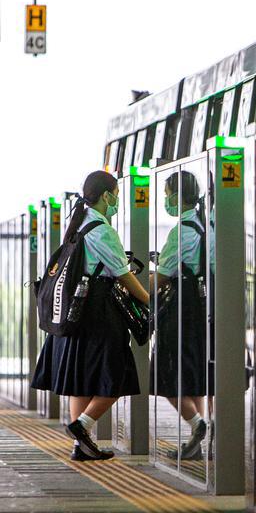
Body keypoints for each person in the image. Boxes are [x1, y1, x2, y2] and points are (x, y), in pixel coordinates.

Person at [31, 170, 150, 461]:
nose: (118, 200)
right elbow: (123, 276)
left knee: (80, 380)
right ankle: (81, 426)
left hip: (76, 316)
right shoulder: (102, 230)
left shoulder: (79, 225)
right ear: (106, 196)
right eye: (117, 194)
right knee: (117, 375)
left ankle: (81, 447)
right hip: (98, 314)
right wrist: (150, 301)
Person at [151, 171, 210, 461]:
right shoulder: (203, 225)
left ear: (178, 195)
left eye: (167, 194)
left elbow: (160, 280)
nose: (166, 200)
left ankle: (198, 425)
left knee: (168, 377)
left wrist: (131, 284)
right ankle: (195, 445)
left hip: (179, 312)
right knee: (193, 378)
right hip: (200, 312)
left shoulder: (181, 232)